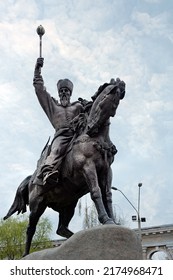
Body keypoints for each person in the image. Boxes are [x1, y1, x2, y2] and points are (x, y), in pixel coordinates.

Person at [33, 58, 84, 186]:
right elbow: (40, 90)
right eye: (61, 91)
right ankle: (48, 172)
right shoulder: (53, 106)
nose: (63, 93)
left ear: (70, 93)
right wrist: (37, 70)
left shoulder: (78, 106)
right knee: (56, 150)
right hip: (61, 136)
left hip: (76, 136)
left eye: (66, 91)